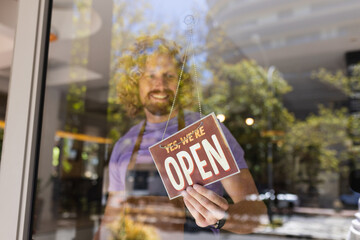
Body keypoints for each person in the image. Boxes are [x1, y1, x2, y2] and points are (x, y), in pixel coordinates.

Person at [95, 36, 267, 240]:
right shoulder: (124, 145)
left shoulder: (205, 132)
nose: (160, 84)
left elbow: (257, 214)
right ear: (135, 84)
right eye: (150, 75)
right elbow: (111, 222)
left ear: (181, 83)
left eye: (169, 76)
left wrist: (222, 217)